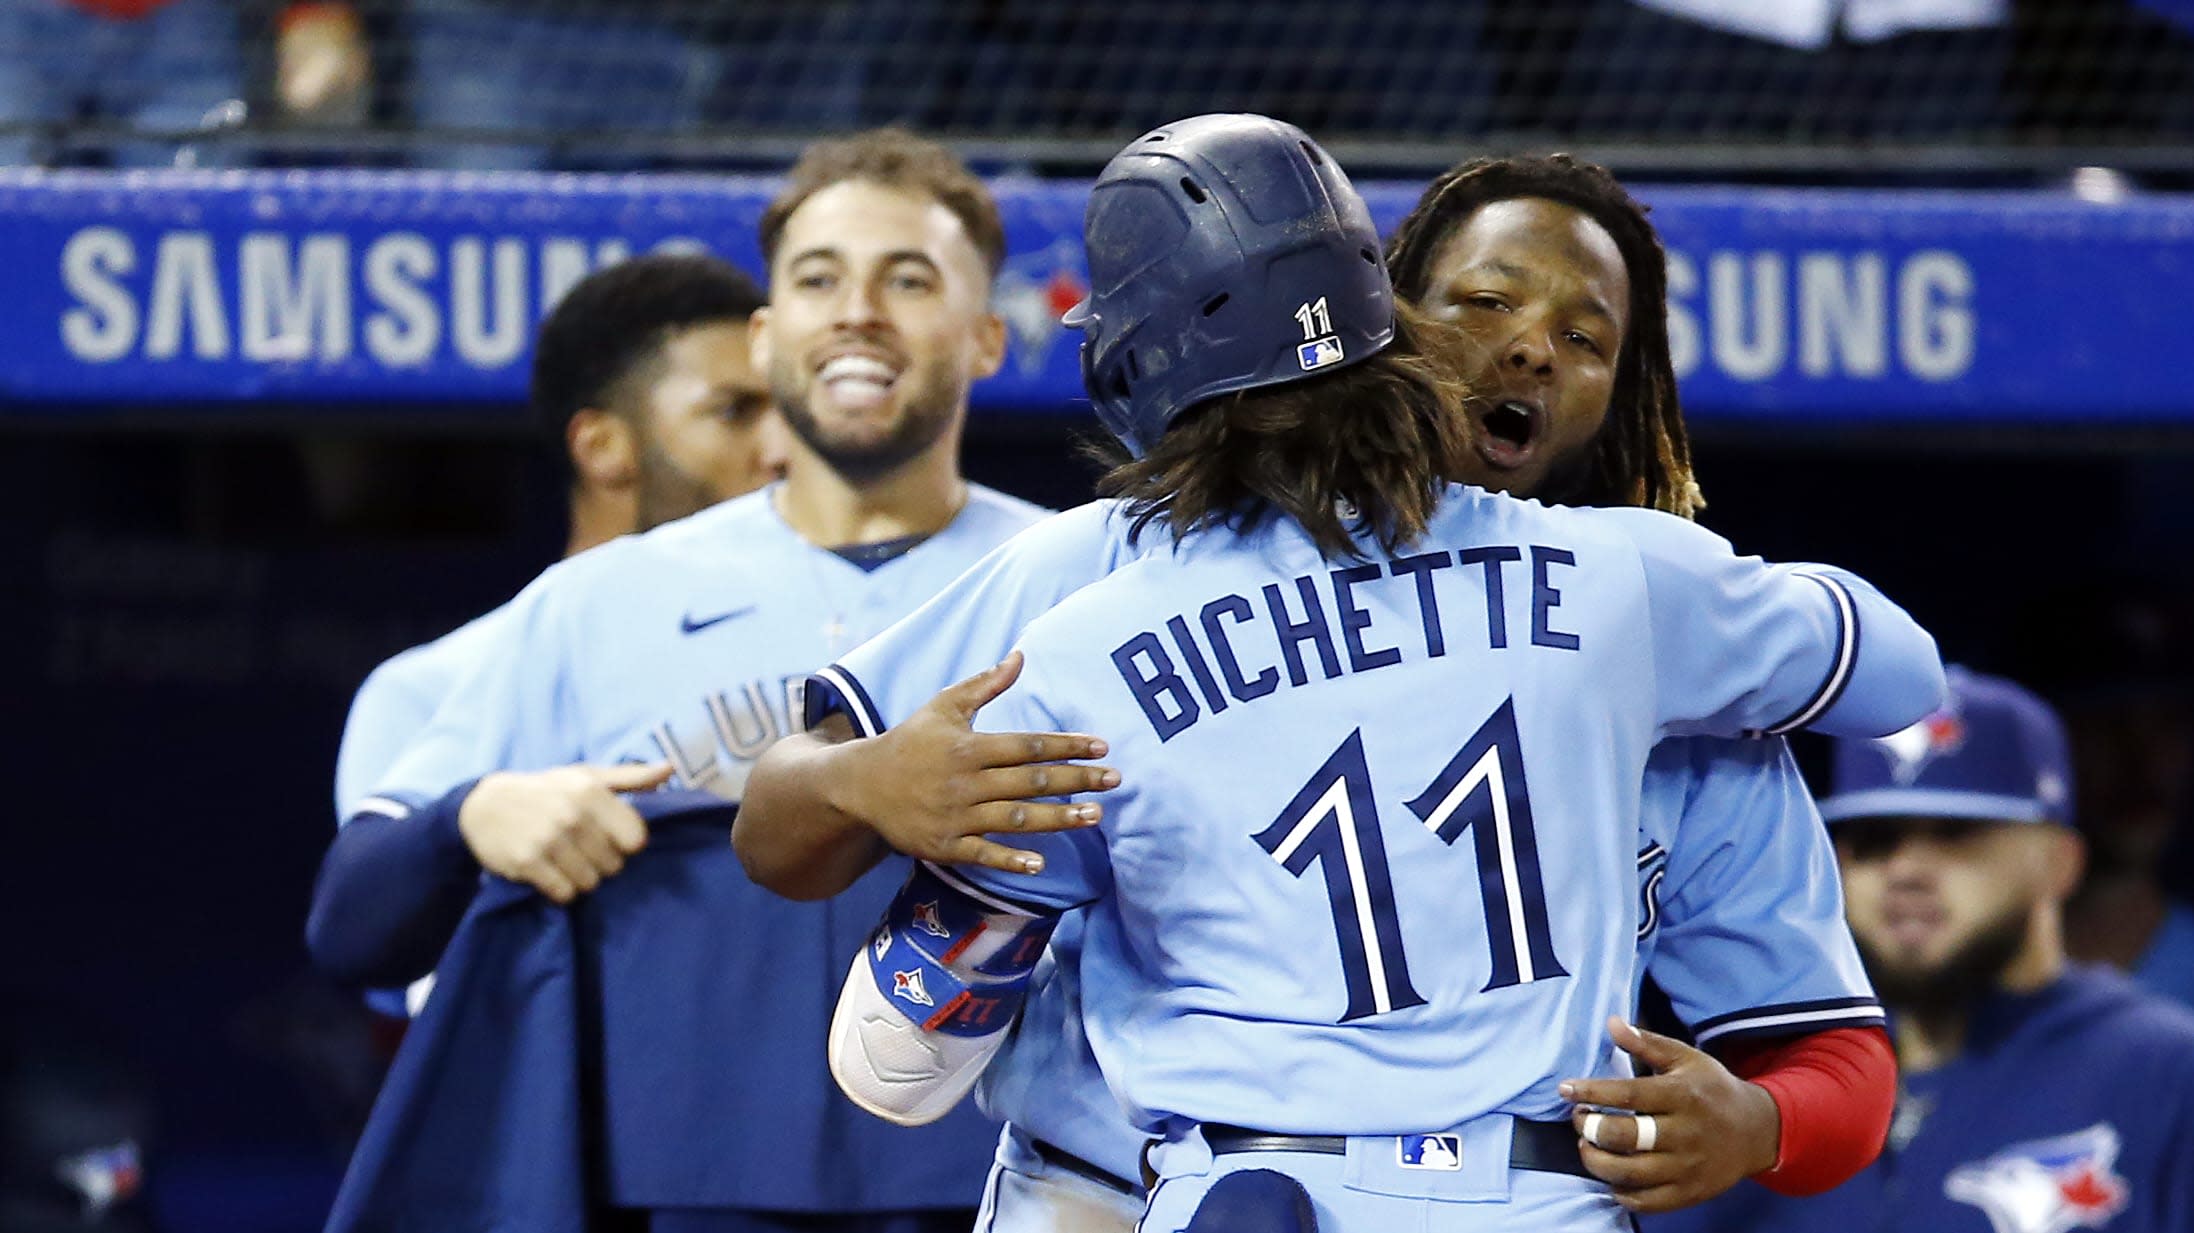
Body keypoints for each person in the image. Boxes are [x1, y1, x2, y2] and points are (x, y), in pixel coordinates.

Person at [800, 112, 1945, 1233]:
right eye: (1484, 302)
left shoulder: (1664, 650)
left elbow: (1831, 1057)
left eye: (1586, 339)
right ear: (1382, 321)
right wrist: (860, 783)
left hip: (1306, 1184)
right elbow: (1895, 667)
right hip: (1103, 1175)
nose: (1530, 348)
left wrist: (1759, 1122)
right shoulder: (1112, 553)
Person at [308, 128, 1031, 1231]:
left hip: (1010, 1183)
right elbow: (353, 929)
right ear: (768, 329)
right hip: (680, 1192)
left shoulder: (1085, 583)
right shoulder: (596, 604)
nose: (857, 311)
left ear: (985, 338)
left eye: (909, 279)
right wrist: (468, 816)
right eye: (818, 278)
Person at [1650, 667, 2194, 1233]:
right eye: (1876, 841)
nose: (1906, 870)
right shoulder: (1765, 1086)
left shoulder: (2167, 1072)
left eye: (1955, 834)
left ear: (2060, 863)